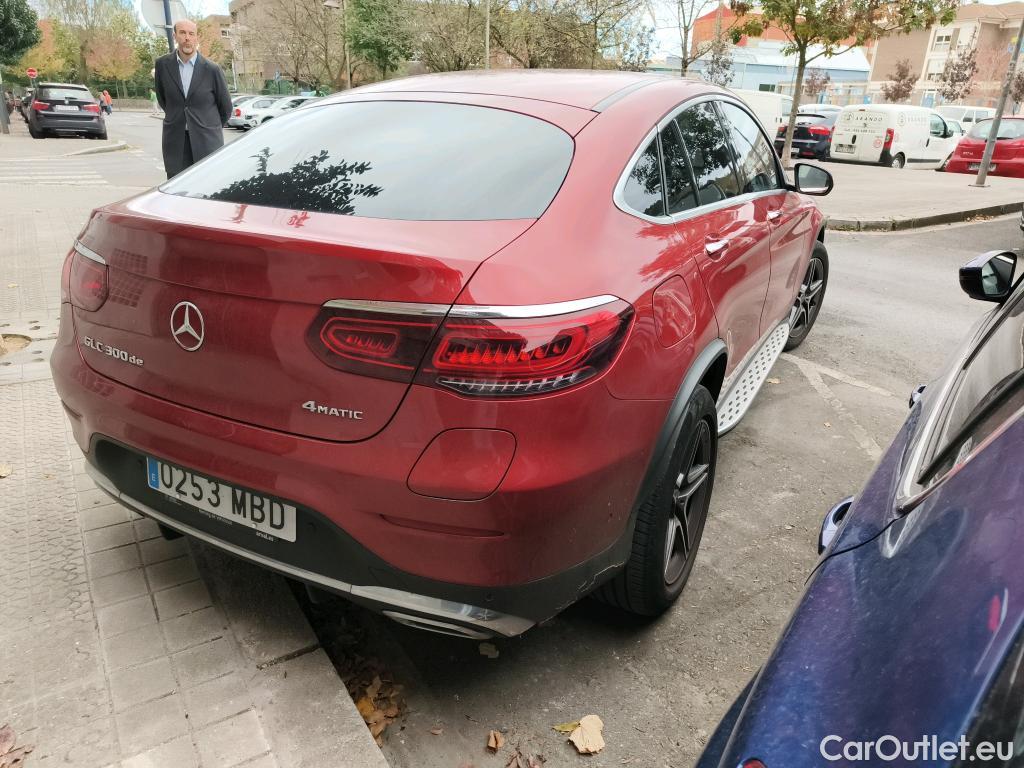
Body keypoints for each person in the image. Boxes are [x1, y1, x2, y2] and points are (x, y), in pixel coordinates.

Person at [153, 19, 232, 179]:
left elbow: (226, 108)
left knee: (208, 191)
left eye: (191, 33)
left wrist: (208, 126)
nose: (187, 38)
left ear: (197, 38)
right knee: (177, 193)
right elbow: (163, 99)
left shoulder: (212, 69)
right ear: (175, 36)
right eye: (182, 33)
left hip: (207, 142)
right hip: (176, 142)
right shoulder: (162, 65)